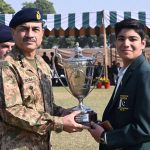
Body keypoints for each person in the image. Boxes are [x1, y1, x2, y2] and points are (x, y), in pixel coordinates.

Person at [0, 8, 87, 150]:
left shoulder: (41, 63)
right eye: (24, 29)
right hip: (17, 145)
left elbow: (44, 105)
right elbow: (12, 111)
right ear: (13, 33)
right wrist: (59, 122)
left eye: (35, 29)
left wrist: (62, 112)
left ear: (42, 33)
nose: (30, 34)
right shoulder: (6, 66)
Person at [89, 18, 150, 150]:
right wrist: (103, 125)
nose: (126, 44)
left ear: (143, 43)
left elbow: (145, 127)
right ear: (116, 43)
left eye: (133, 39)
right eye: (121, 39)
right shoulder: (127, 72)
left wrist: (106, 137)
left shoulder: (145, 74)